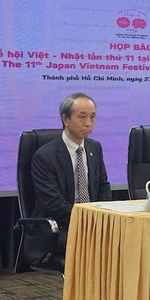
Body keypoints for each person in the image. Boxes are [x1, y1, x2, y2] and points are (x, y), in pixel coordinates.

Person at [31, 92, 111, 225]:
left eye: (92, 117)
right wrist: (85, 220)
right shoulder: (45, 156)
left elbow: (103, 187)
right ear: (66, 120)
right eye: (82, 117)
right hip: (61, 225)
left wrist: (100, 218)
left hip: (93, 222)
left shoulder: (94, 148)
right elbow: (53, 203)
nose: (88, 123)